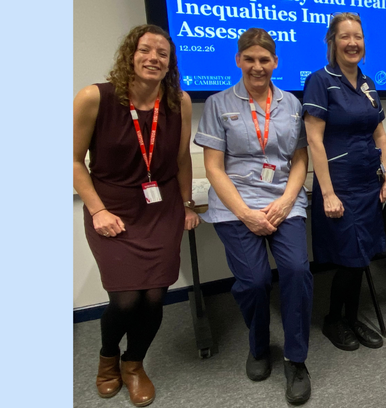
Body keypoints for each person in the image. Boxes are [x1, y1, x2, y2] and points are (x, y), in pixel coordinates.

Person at [73, 24, 199, 406]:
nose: (153, 58)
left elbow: (180, 161)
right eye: (146, 50)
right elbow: (74, 162)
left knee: (154, 298)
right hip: (111, 210)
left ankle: (134, 363)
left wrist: (188, 204)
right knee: (126, 300)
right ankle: (108, 357)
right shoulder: (95, 97)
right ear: (131, 55)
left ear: (169, 63)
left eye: (162, 54)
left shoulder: (180, 101)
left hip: (161, 210)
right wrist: (97, 211)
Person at [194, 28, 312, 404]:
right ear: (238, 60)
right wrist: (246, 214)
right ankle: (259, 345)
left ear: (275, 62)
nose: (257, 66)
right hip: (236, 204)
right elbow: (213, 167)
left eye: (264, 60)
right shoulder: (217, 103)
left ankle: (296, 358)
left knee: (296, 270)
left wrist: (284, 202)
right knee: (256, 281)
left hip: (284, 199)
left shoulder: (292, 104)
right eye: (250, 59)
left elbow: (299, 159)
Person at [303, 13, 386, 351]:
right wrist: (327, 193)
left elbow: (381, 135)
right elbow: (314, 141)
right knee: (349, 258)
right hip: (339, 186)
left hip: (368, 185)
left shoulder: (369, 82)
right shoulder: (320, 80)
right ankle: (333, 320)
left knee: (362, 257)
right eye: (345, 36)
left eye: (358, 36)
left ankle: (352, 318)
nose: (353, 42)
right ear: (333, 42)